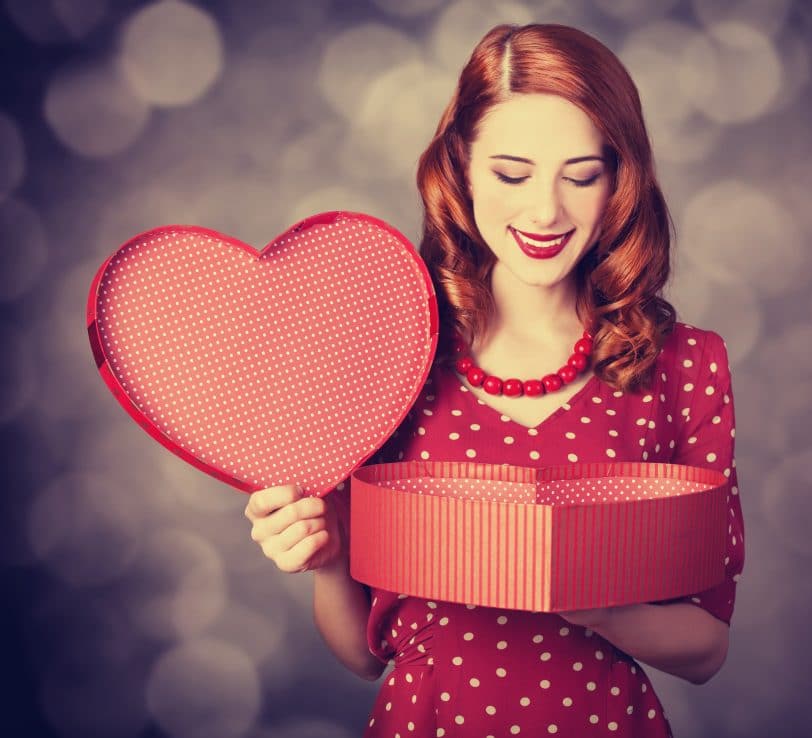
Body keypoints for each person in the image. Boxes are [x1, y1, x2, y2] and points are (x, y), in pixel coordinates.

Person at [244, 22, 745, 737]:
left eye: (581, 175)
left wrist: (598, 606)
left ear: (618, 178)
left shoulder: (684, 365)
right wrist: (328, 560)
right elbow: (361, 654)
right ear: (462, 168)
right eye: (513, 174)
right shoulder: (388, 355)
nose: (546, 210)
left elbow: (708, 648)